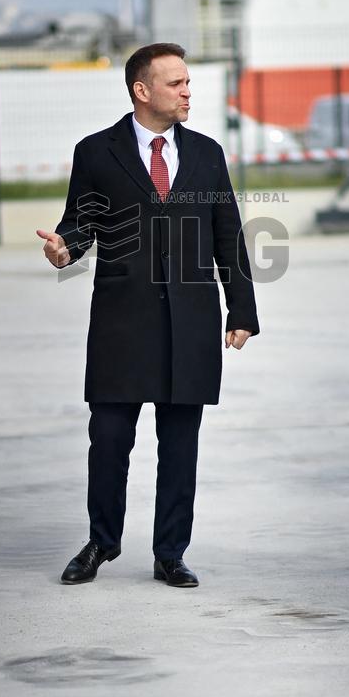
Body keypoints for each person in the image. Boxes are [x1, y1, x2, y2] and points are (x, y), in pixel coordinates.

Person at [37, 42, 259, 588]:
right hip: (121, 323)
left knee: (180, 444)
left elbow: (228, 236)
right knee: (109, 441)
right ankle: (101, 542)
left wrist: (243, 309)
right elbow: (81, 222)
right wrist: (65, 247)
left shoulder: (207, 153)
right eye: (177, 83)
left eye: (188, 82)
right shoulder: (95, 152)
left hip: (191, 322)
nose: (188, 91)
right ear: (143, 91)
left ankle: (170, 553)